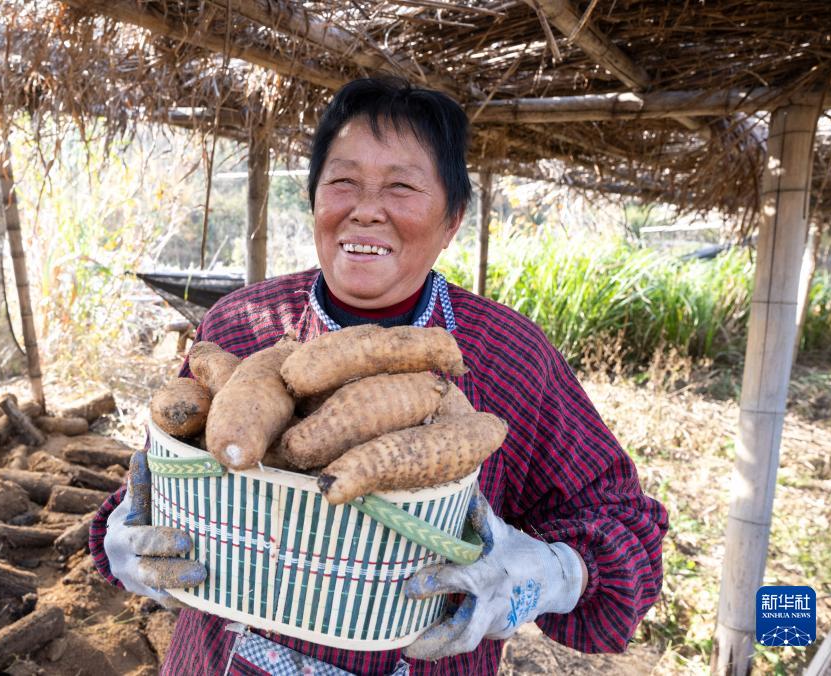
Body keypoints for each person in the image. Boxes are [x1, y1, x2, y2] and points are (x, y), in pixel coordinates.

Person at [90, 77, 668, 675]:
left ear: (452, 219)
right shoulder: (241, 326)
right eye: (342, 182)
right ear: (314, 199)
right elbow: (162, 477)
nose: (366, 209)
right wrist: (126, 530)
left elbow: (629, 530)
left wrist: (552, 574)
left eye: (402, 186)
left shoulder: (508, 355)